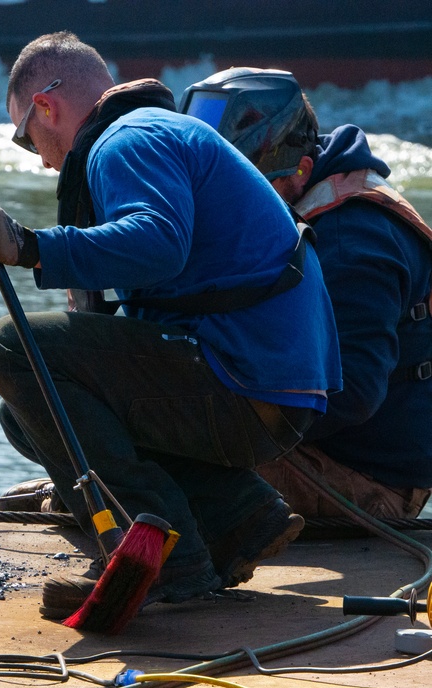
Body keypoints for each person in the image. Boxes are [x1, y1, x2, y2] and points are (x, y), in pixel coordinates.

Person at [0, 32, 341, 620]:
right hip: (270, 384)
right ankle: (238, 518)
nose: (44, 159)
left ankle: (157, 551)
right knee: (30, 413)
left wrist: (30, 246)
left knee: (12, 346)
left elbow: (158, 245)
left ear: (45, 108)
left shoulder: (127, 142)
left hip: (244, 375)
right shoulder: (156, 133)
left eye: (28, 140)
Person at [182, 68, 432, 521]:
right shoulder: (309, 186)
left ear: (300, 171)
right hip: (324, 452)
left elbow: (353, 390)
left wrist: (221, 416)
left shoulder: (349, 239)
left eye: (240, 187)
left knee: (162, 457)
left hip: (367, 480)